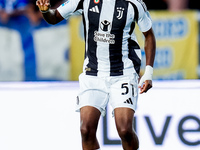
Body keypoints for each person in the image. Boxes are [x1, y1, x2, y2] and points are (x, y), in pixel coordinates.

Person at [36, 0, 156, 149]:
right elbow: (54, 18)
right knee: (86, 130)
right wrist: (45, 11)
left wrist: (148, 73)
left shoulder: (133, 4)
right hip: (92, 73)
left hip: (123, 74)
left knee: (124, 130)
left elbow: (149, 35)